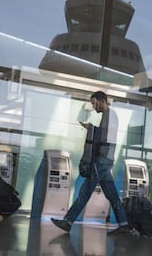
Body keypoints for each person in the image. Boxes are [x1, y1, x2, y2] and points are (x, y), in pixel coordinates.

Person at [51, 91, 138, 236]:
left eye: (94, 103)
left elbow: (105, 137)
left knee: (85, 192)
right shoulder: (108, 115)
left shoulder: (110, 115)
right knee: (112, 195)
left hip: (102, 160)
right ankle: (124, 224)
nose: (93, 106)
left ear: (102, 100)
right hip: (105, 160)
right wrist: (91, 128)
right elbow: (104, 135)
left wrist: (91, 128)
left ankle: (68, 222)